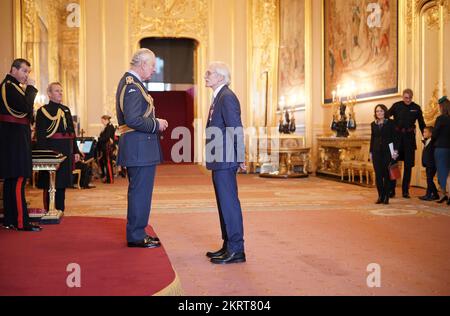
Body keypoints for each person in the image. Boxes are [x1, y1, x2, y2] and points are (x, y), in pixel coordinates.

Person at [116, 48, 168, 248]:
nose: (154, 70)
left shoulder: (135, 84)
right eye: (153, 65)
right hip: (139, 148)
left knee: (141, 192)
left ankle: (139, 231)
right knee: (140, 192)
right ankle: (136, 235)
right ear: (143, 64)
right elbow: (132, 119)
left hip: (140, 147)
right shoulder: (131, 85)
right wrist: (156, 123)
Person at [204, 62, 246, 264]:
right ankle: (228, 245)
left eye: (209, 73)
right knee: (223, 204)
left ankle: (237, 249)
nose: (206, 76)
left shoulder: (227, 97)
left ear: (220, 77)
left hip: (226, 158)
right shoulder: (218, 97)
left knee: (229, 204)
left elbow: (235, 128)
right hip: (219, 158)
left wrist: (240, 156)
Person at [0, 59, 42, 231]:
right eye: (24, 71)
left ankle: (10, 219)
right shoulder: (9, 86)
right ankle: (20, 221)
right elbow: (26, 108)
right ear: (13, 70)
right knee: (18, 178)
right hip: (15, 139)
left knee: (11, 180)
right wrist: (31, 89)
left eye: (28, 72)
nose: (26, 76)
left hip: (13, 138)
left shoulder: (12, 86)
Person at [35, 82, 81, 213]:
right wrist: (43, 154)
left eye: (61, 91)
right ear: (49, 94)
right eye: (56, 91)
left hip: (66, 149)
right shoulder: (42, 111)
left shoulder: (66, 109)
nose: (60, 93)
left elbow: (72, 132)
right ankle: (49, 210)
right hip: (51, 150)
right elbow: (41, 135)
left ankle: (61, 210)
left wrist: (76, 151)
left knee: (62, 183)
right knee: (49, 182)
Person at [387, 89, 426, 198]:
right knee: (394, 164)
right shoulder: (396, 106)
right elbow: (387, 116)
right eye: (405, 98)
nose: (407, 100)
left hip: (409, 140)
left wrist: (426, 138)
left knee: (408, 166)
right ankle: (391, 190)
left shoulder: (416, 108)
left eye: (409, 98)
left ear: (412, 97)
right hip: (397, 140)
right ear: (403, 97)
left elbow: (422, 124)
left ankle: (405, 191)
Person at [370, 104, 399, 205]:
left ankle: (387, 196)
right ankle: (380, 196)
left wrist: (395, 152)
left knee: (387, 175)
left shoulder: (391, 123)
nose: (379, 113)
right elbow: (372, 139)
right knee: (378, 175)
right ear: (375, 113)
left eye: (381, 111)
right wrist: (371, 152)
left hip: (388, 152)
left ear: (385, 112)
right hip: (376, 152)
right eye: (377, 111)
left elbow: (395, 138)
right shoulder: (373, 124)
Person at [433, 96, 450, 205]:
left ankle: (444, 194)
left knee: (442, 173)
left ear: (441, 107)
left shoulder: (440, 119)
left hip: (441, 149)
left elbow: (434, 134)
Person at [419, 126, 440, 201]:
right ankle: (431, 195)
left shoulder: (433, 141)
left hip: (432, 164)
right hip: (428, 164)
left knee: (429, 179)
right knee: (429, 179)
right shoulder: (427, 140)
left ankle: (433, 194)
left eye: (425, 132)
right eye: (423, 131)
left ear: (431, 133)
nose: (423, 133)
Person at [97, 115, 116, 184]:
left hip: (108, 147)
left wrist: (99, 139)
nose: (102, 122)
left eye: (102, 120)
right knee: (104, 161)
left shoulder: (110, 127)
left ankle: (110, 179)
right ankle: (107, 178)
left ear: (106, 120)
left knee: (108, 163)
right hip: (105, 147)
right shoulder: (107, 127)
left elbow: (106, 137)